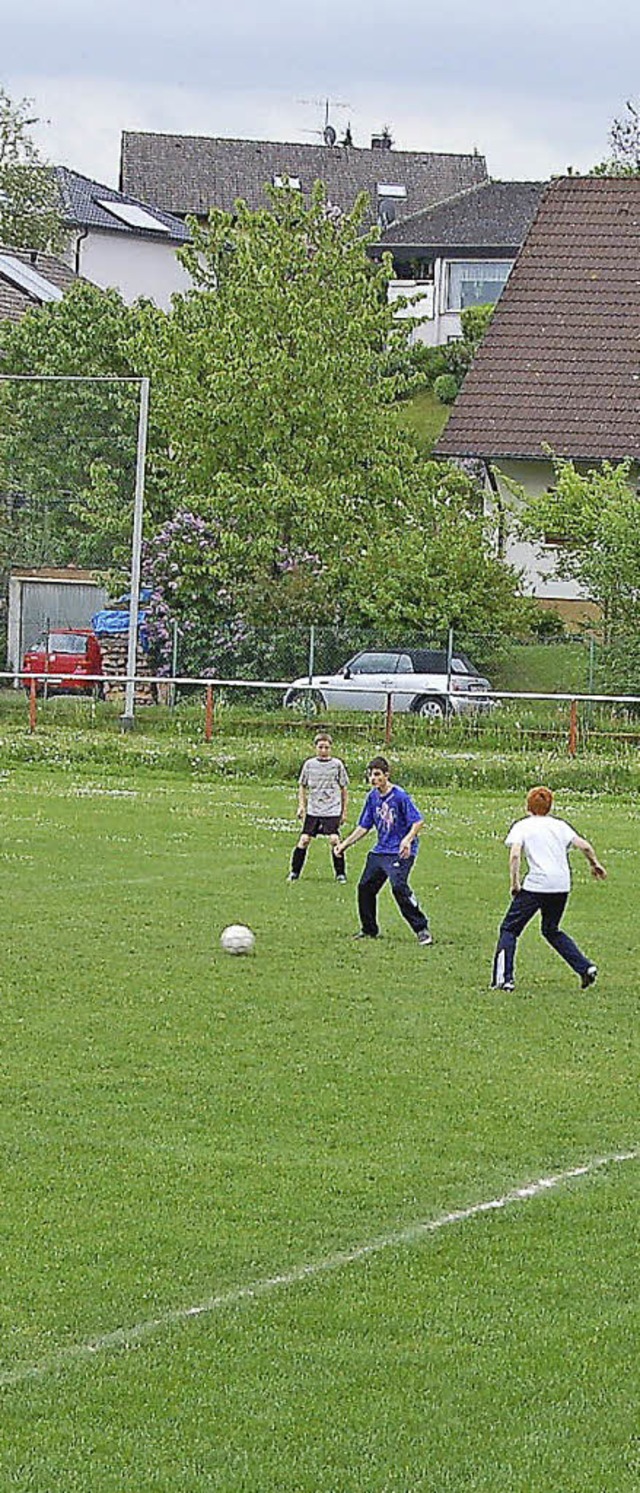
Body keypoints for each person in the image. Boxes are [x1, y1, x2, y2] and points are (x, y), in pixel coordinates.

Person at [491, 785, 606, 992]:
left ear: (528, 806)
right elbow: (585, 846)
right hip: (561, 886)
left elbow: (515, 854)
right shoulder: (560, 826)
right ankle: (585, 967)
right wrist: (594, 864)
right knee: (551, 929)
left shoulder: (523, 826)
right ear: (550, 807)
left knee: (509, 929)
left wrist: (515, 883)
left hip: (537, 885)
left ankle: (504, 979)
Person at [336, 755, 432, 944]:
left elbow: (418, 821)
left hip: (401, 852)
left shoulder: (400, 796)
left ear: (386, 775)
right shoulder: (372, 797)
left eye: (377, 774)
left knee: (398, 888)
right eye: (370, 775)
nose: (373, 778)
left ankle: (422, 929)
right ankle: (369, 929)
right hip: (380, 851)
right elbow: (364, 826)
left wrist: (407, 840)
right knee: (365, 887)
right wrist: (344, 844)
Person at [288, 731, 349, 882]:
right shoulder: (309, 765)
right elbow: (302, 786)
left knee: (335, 840)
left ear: (331, 748)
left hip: (331, 809)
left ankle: (340, 874)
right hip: (314, 810)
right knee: (304, 840)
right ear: (315, 748)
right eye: (321, 747)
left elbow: (344, 789)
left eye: (326, 747)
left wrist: (343, 812)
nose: (323, 750)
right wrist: (302, 806)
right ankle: (294, 872)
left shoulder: (337, 765)